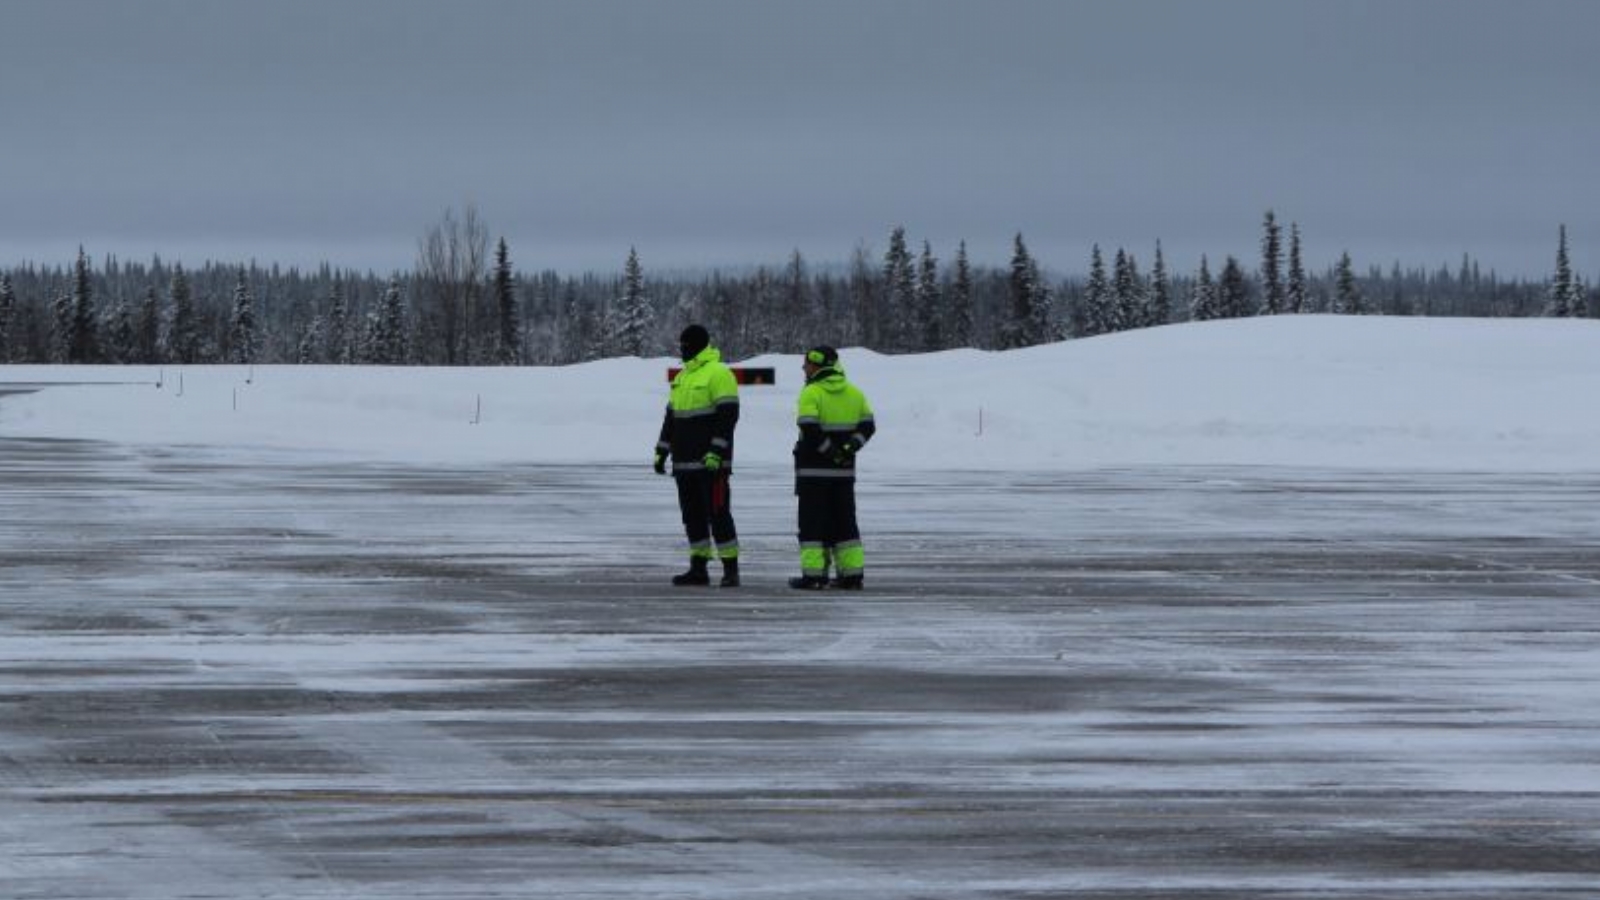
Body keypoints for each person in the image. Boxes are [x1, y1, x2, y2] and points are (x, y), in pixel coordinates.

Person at [654, 324, 741, 587]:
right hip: (684, 462)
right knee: (691, 515)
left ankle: (730, 570)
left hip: (711, 464)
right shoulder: (682, 377)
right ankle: (698, 568)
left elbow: (728, 417)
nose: (681, 349)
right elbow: (672, 418)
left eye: (685, 344)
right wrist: (661, 450)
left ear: (697, 345)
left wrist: (717, 451)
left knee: (718, 514)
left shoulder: (719, 373)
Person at [790, 345, 875, 590]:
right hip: (843, 474)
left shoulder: (811, 392)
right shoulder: (855, 393)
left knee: (812, 524)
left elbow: (809, 428)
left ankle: (814, 575)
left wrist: (830, 452)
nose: (804, 369)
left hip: (813, 473)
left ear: (817, 365)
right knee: (845, 522)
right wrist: (848, 450)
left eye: (806, 364)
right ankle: (852, 575)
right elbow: (868, 426)